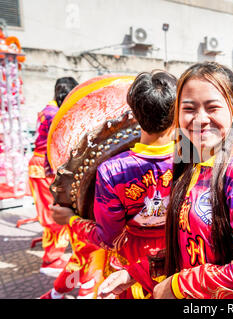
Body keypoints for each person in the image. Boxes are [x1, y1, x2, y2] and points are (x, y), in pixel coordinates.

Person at [97, 62, 233, 299]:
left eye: (212, 107)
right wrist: (135, 272)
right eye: (189, 108)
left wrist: (179, 285)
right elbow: (193, 248)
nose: (200, 119)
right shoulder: (191, 167)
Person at [50, 70, 178, 299]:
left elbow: (107, 238)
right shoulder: (191, 159)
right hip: (178, 256)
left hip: (130, 263)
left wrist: (70, 219)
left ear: (133, 112)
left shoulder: (112, 171)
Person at [28, 77, 78, 276]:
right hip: (44, 168)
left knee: (54, 212)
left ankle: (54, 255)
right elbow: (55, 146)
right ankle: (51, 260)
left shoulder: (48, 109)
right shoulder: (54, 114)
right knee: (54, 214)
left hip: (41, 166)